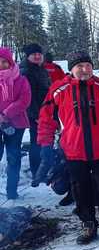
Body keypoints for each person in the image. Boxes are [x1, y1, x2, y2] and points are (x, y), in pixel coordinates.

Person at [36, 50, 99, 245]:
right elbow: (46, 118)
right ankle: (88, 223)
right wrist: (44, 143)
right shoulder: (58, 89)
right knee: (80, 189)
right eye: (79, 66)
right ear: (71, 69)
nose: (85, 69)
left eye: (87, 65)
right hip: (73, 150)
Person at [0, 48, 31, 200]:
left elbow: (24, 100)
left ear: (10, 62)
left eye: (4, 61)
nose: (1, 64)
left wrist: (6, 114)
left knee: (13, 157)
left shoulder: (21, 79)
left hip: (16, 123)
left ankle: (12, 191)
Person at [19, 43, 51, 179]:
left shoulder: (40, 69)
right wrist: (36, 115)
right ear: (28, 56)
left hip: (44, 110)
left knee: (42, 141)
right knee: (36, 142)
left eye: (39, 54)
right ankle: (36, 171)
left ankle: (42, 168)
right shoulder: (26, 71)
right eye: (34, 54)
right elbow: (28, 97)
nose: (38, 56)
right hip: (35, 113)